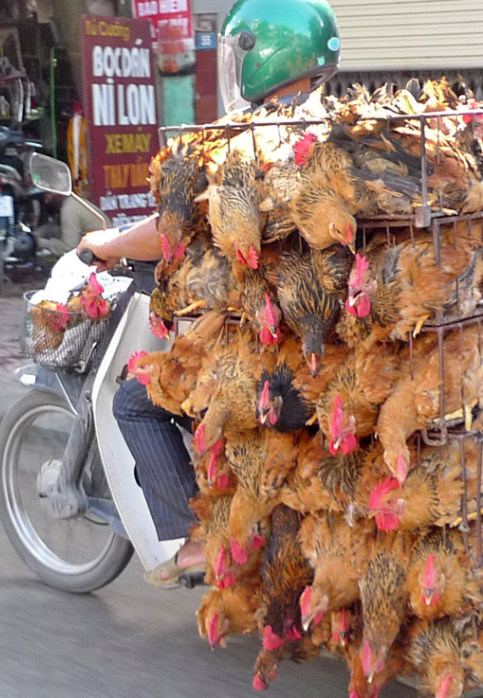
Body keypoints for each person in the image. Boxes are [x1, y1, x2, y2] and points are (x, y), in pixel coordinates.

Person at [78, 0, 342, 588]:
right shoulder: (332, 130)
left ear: (263, 54)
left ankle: (195, 538)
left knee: (134, 403)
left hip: (272, 347)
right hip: (326, 333)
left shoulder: (253, 141)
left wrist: (112, 243)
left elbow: (170, 230)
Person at [33, 193, 105, 258]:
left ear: (57, 195)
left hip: (100, 252)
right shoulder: (70, 202)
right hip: (97, 247)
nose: (46, 201)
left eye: (47, 196)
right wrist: (37, 233)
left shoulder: (68, 209)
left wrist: (38, 242)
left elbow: (69, 248)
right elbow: (53, 228)